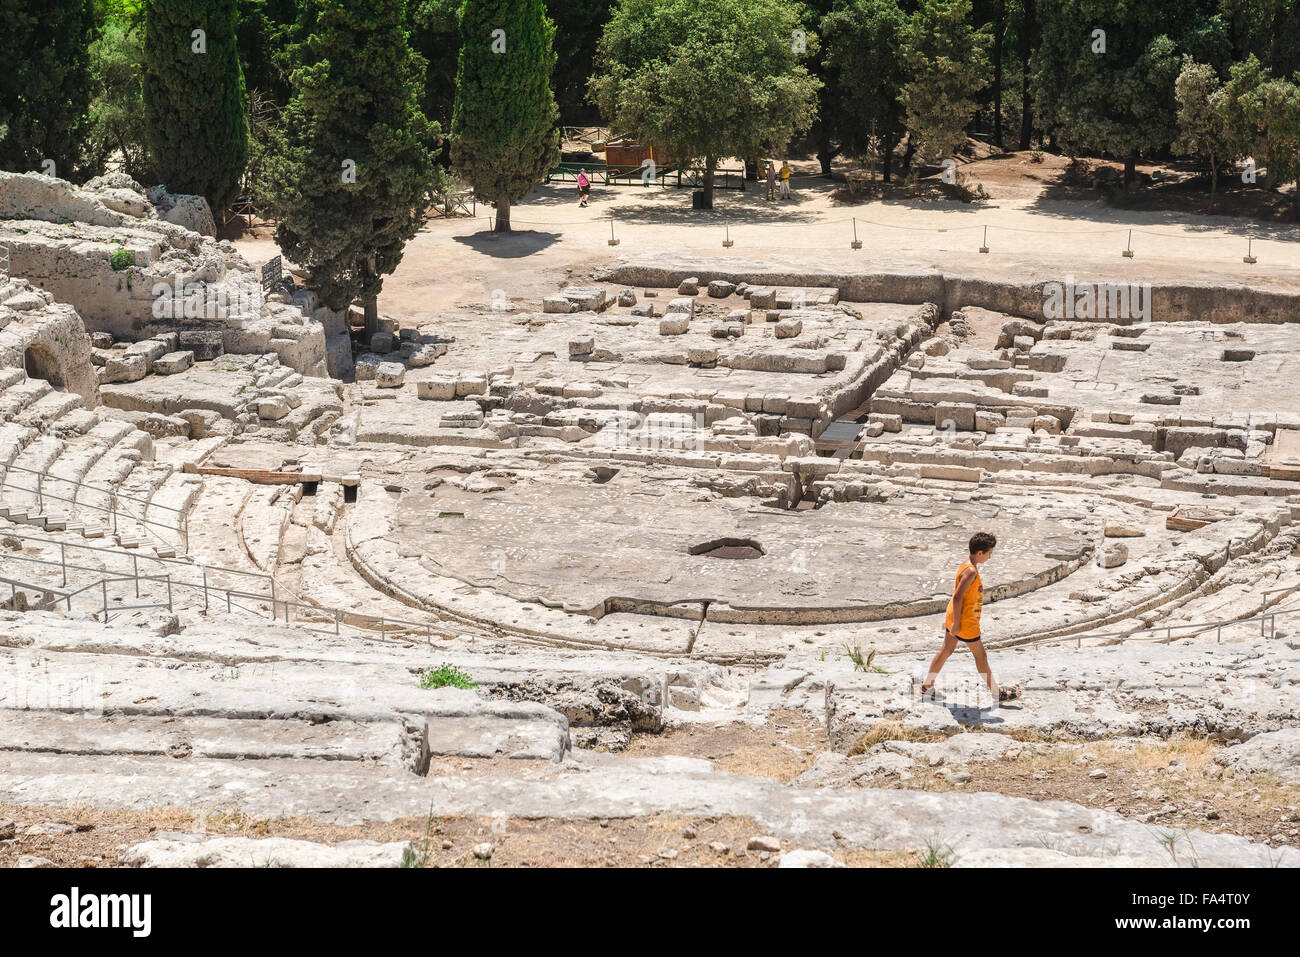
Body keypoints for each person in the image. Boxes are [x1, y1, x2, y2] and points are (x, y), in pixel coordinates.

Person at [921, 532, 1022, 705]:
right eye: (989, 553)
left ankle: (926, 687)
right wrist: (958, 624)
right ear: (980, 553)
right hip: (965, 621)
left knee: (946, 650)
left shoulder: (966, 565)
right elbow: (958, 597)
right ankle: (997, 693)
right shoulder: (971, 572)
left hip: (955, 615)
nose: (990, 556)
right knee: (981, 656)